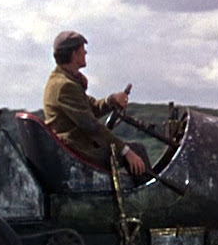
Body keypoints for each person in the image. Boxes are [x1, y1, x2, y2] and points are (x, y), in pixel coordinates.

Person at [43, 30, 149, 178]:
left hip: (75, 147)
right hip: (78, 151)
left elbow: (90, 107)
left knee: (133, 150)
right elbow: (91, 126)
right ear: (74, 54)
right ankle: (149, 191)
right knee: (137, 151)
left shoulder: (63, 80)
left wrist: (111, 100)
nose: (85, 52)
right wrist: (126, 151)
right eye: (82, 49)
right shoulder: (65, 86)